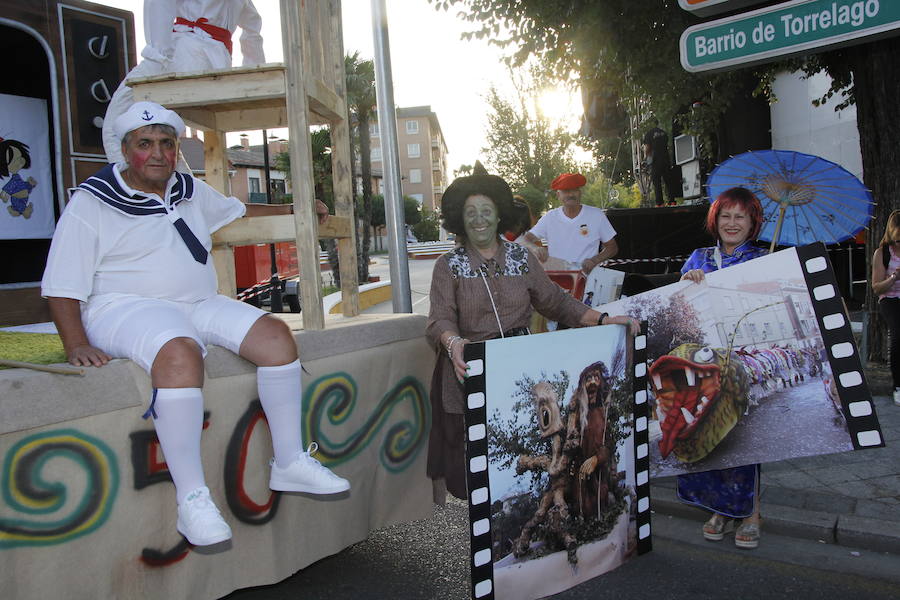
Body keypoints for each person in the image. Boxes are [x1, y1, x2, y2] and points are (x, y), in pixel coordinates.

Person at [41, 101, 348, 547]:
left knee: (276, 337)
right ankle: (193, 500)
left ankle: (289, 462)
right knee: (180, 354)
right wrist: (75, 343)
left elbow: (237, 211)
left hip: (197, 301)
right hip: (122, 306)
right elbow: (61, 284)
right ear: (126, 151)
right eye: (145, 144)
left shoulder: (187, 188)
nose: (158, 152)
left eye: (167, 143)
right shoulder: (92, 201)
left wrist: (297, 208)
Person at [425, 163, 639, 500]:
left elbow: (557, 302)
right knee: (478, 471)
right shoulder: (447, 266)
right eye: (470, 212)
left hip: (517, 371)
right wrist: (453, 343)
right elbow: (439, 319)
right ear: (460, 219)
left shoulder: (523, 259)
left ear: (499, 217)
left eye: (486, 211)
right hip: (468, 374)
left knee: (522, 460)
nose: (479, 219)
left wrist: (602, 319)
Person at [678, 186, 767, 549]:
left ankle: (751, 512)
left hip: (746, 361)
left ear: (752, 223)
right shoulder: (698, 257)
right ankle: (721, 508)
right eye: (726, 216)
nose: (732, 223)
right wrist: (686, 283)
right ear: (716, 220)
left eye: (740, 216)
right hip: (705, 364)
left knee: (746, 441)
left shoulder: (765, 258)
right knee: (710, 434)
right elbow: (679, 307)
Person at [102, 0, 265, 168]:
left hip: (182, 53)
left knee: (114, 124)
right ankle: (183, 189)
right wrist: (253, 71)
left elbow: (159, 4)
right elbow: (252, 26)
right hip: (217, 62)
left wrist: (158, 53)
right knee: (166, 133)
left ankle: (128, 185)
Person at [523, 172, 618, 275]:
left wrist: (594, 260)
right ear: (558, 195)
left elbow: (612, 248)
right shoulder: (550, 217)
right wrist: (535, 248)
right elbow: (526, 239)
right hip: (558, 281)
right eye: (566, 191)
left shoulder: (596, 215)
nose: (571, 194)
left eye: (574, 190)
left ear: (580, 192)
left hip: (587, 279)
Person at [871, 209, 900, 406]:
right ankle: (898, 386)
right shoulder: (882, 253)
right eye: (898, 240)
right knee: (898, 337)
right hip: (890, 299)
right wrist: (894, 278)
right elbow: (876, 287)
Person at [641, 117, 674, 207]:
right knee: (668, 180)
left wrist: (645, 158)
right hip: (666, 158)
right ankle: (672, 201)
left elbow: (647, 148)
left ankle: (660, 203)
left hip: (656, 160)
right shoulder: (664, 133)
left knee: (657, 182)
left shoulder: (649, 134)